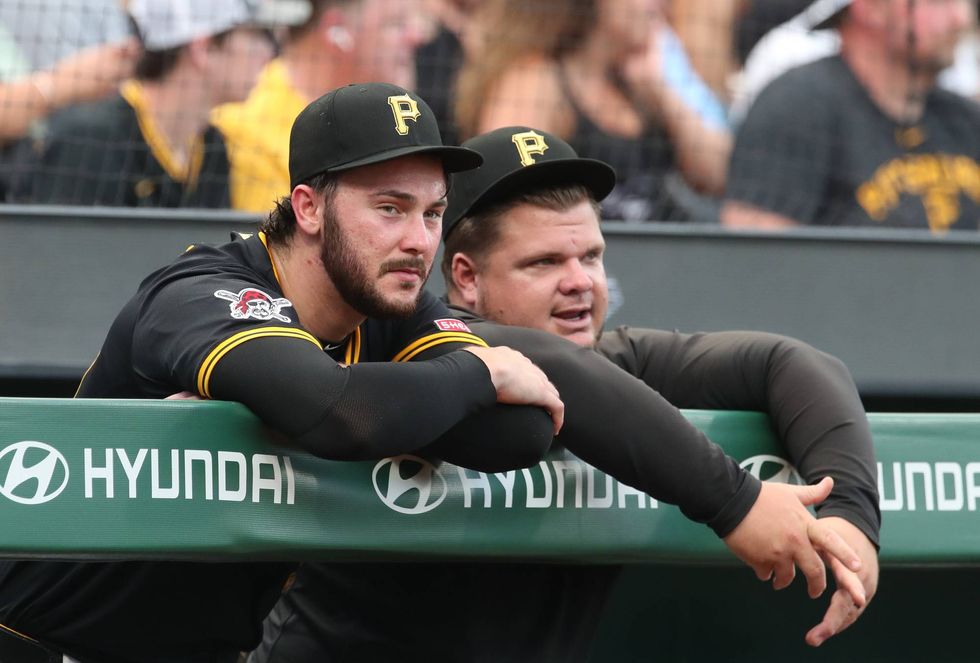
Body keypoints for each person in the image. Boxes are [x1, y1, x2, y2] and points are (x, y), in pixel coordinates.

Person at [248, 127, 878, 661]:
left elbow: (791, 363)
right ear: (464, 277)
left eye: (592, 258)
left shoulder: (610, 362)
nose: (580, 284)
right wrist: (738, 503)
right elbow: (548, 367)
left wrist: (851, 516)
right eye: (544, 263)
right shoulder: (419, 352)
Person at [0, 82, 568, 663]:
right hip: (41, 642)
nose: (418, 241)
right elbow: (334, 410)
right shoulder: (204, 292)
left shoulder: (390, 301)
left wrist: (333, 416)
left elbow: (515, 434)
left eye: (433, 214)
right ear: (308, 207)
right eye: (390, 208)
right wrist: (475, 379)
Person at [454, 0, 730, 222]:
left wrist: (662, 91)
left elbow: (718, 176)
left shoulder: (639, 82)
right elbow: (495, 194)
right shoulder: (537, 81)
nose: (662, 7)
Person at [721, 0, 980, 232]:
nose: (961, 18)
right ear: (870, 8)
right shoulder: (798, 107)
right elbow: (756, 267)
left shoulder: (963, 120)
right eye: (938, 2)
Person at [8, 0, 275, 207]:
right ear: (203, 48)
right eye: (255, 35)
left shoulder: (213, 148)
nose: (268, 52)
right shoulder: (92, 138)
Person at [212, 0, 432, 212]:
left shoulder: (390, 116)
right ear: (336, 30)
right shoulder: (246, 122)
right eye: (395, 24)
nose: (418, 36)